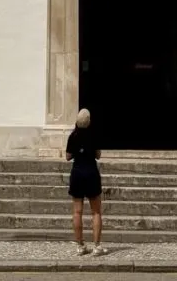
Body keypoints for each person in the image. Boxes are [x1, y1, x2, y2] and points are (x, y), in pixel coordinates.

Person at [66, 108, 105, 256]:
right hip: (91, 173)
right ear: (89, 122)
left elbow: (68, 156)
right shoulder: (94, 135)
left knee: (77, 212)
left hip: (77, 173)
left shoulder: (73, 136)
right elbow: (98, 155)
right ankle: (97, 246)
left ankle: (80, 246)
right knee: (96, 211)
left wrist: (78, 151)